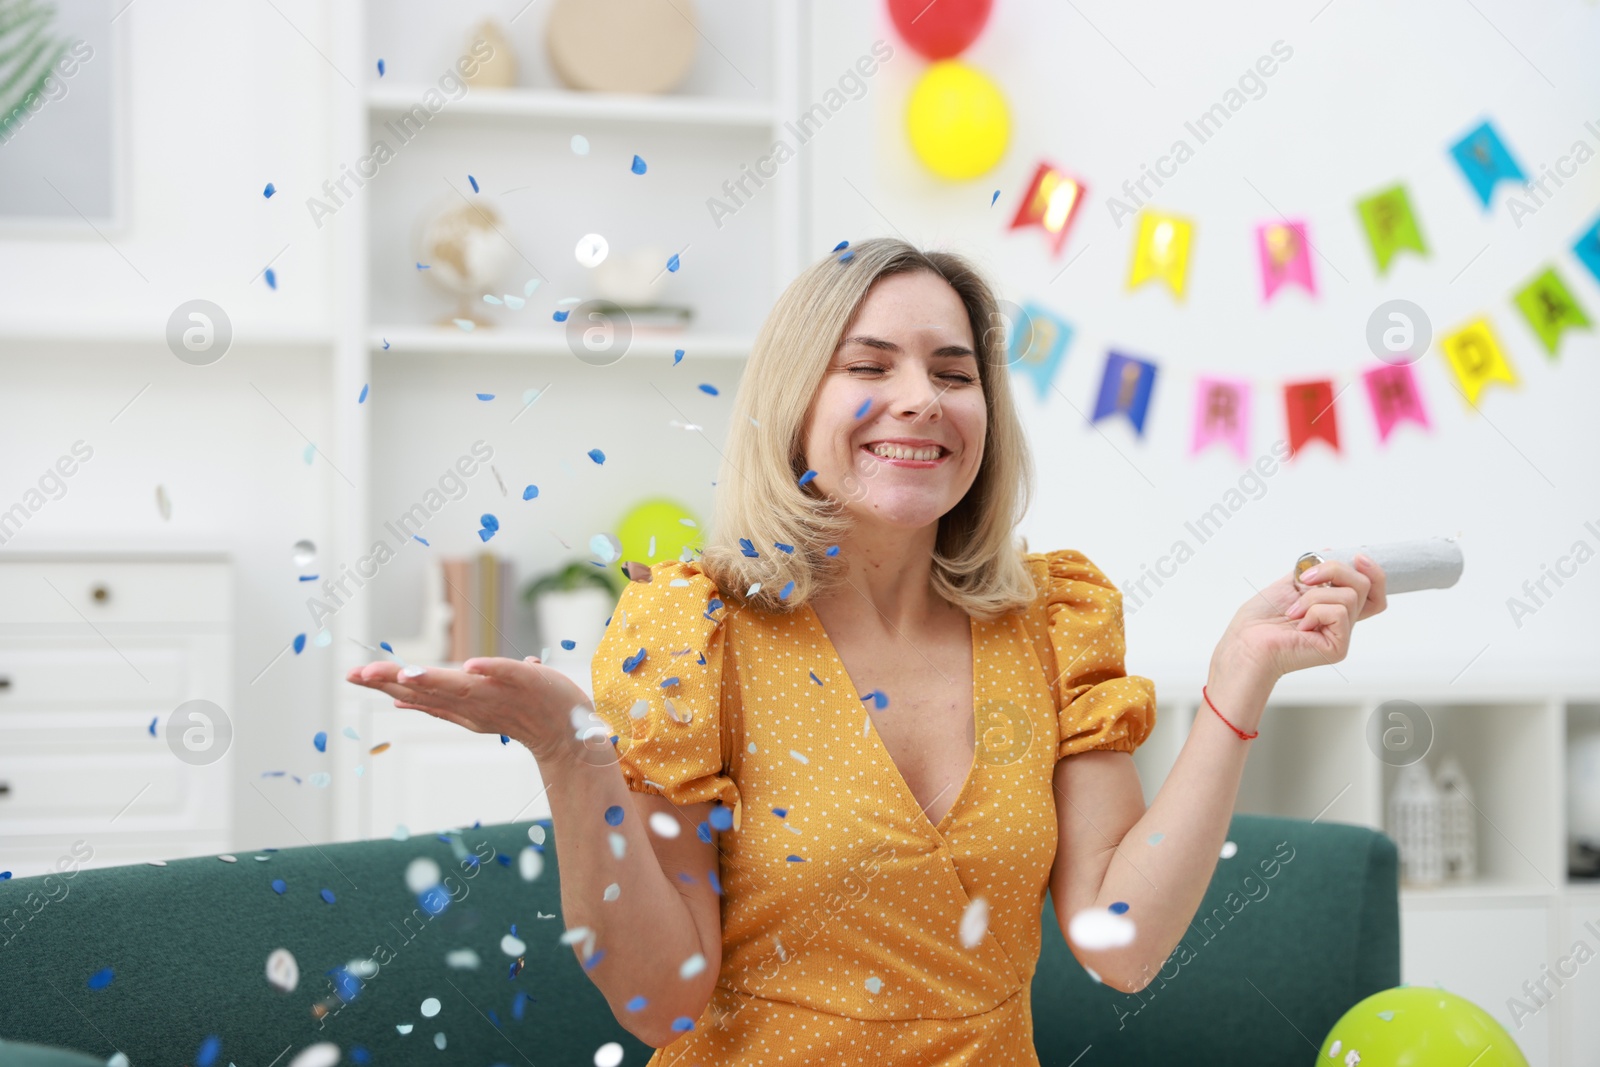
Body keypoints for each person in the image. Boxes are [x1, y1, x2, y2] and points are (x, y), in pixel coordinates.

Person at [347, 237, 1386, 1063]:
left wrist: (1236, 680)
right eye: (868, 365)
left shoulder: (1052, 623)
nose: (921, 398)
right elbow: (660, 999)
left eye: (953, 371)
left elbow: (1121, 942)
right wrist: (574, 755)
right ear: (797, 405)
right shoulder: (694, 636)